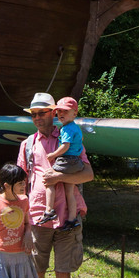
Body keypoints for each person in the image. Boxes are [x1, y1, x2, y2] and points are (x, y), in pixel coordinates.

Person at [17, 93, 93, 278]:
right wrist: (24, 224)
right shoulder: (28, 145)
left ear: (54, 112)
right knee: (36, 271)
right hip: (38, 217)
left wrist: (60, 176)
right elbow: (21, 185)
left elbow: (88, 174)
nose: (37, 118)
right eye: (33, 114)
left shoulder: (69, 137)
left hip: (67, 217)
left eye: (42, 113)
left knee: (63, 272)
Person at [38, 97, 84, 228]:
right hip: (75, 162)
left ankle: (48, 210)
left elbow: (65, 146)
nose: (61, 114)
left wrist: (53, 155)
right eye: (59, 111)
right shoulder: (75, 128)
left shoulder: (67, 129)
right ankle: (72, 219)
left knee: (49, 178)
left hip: (67, 160)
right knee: (69, 190)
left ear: (75, 113)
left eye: (65, 111)